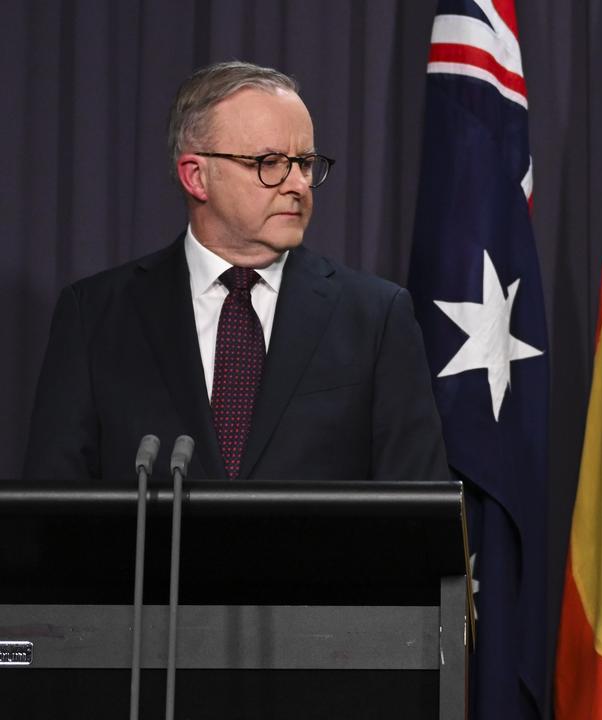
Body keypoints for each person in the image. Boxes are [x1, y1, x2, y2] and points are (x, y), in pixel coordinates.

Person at [23, 61, 448, 483]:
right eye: (269, 162)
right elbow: (50, 516)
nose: (298, 184)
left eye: (304, 163)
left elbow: (418, 515)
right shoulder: (95, 315)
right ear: (197, 177)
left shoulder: (376, 317)